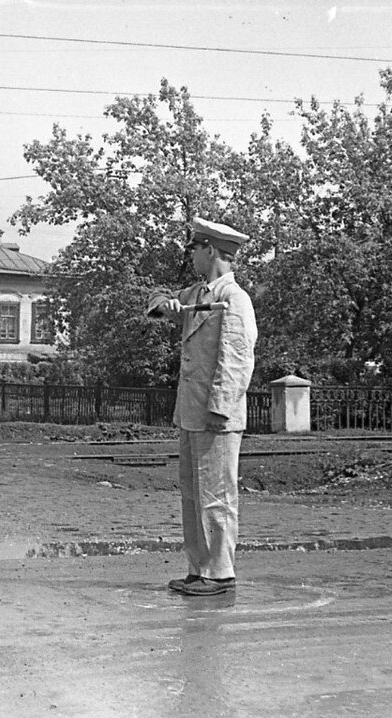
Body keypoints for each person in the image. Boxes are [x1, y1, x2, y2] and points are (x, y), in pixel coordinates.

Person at [146, 217, 258, 596]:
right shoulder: (198, 293)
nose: (191, 255)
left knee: (217, 495)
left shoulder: (235, 299)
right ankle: (199, 568)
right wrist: (166, 303)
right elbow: (158, 298)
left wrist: (220, 409)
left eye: (194, 248)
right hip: (191, 411)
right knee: (193, 494)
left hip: (215, 415)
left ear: (210, 250)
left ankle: (220, 572)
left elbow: (237, 360)